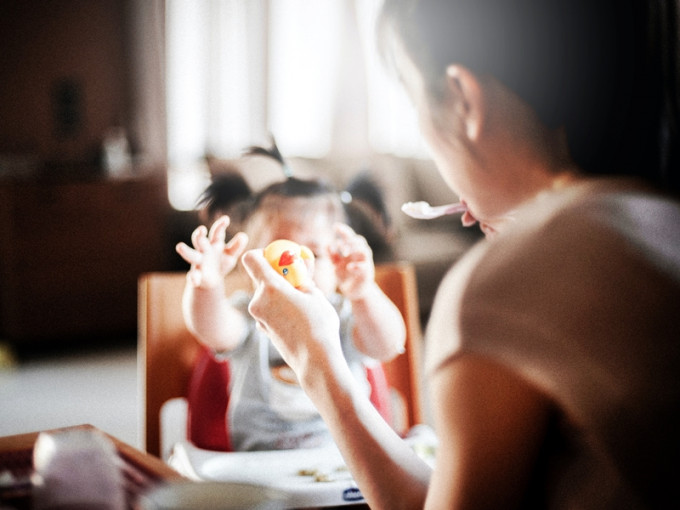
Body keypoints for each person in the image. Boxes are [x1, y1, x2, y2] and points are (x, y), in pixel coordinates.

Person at [240, 0, 680, 508]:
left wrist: (315, 358)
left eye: (411, 98)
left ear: (463, 98)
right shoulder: (661, 215)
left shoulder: (498, 289)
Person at [175, 144, 406, 451]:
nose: (297, 268)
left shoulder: (345, 315)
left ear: (337, 262)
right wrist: (208, 285)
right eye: (280, 255)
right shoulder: (251, 313)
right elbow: (211, 327)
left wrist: (363, 292)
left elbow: (387, 344)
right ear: (250, 262)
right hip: (262, 468)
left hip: (348, 463)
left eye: (313, 253)